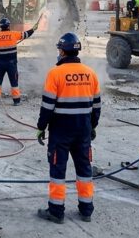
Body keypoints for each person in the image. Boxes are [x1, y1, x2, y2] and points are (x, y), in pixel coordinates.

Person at [36, 32, 101, 224]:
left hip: (61, 131)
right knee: (84, 169)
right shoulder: (90, 73)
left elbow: (47, 106)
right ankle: (86, 210)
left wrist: (41, 127)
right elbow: (96, 106)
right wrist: (93, 126)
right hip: (83, 130)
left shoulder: (55, 73)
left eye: (59, 49)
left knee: (58, 171)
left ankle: (56, 211)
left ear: (63, 51)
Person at [0, 17, 37, 106]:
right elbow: (26, 34)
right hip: (11, 63)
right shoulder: (14, 34)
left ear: (0, 27)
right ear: (8, 26)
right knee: (14, 82)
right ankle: (16, 101)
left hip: (0, 64)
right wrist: (33, 29)